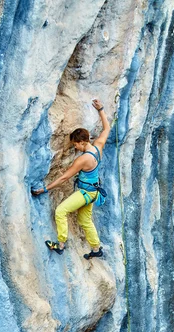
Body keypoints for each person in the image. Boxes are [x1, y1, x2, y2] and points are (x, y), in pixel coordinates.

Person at [32, 98, 110, 259]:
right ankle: (96, 249)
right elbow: (106, 128)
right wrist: (101, 109)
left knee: (61, 211)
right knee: (85, 220)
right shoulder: (98, 147)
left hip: (85, 193)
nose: (75, 147)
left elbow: (64, 177)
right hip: (94, 192)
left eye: (76, 144)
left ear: (82, 142)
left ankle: (60, 245)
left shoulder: (83, 159)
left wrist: (45, 189)